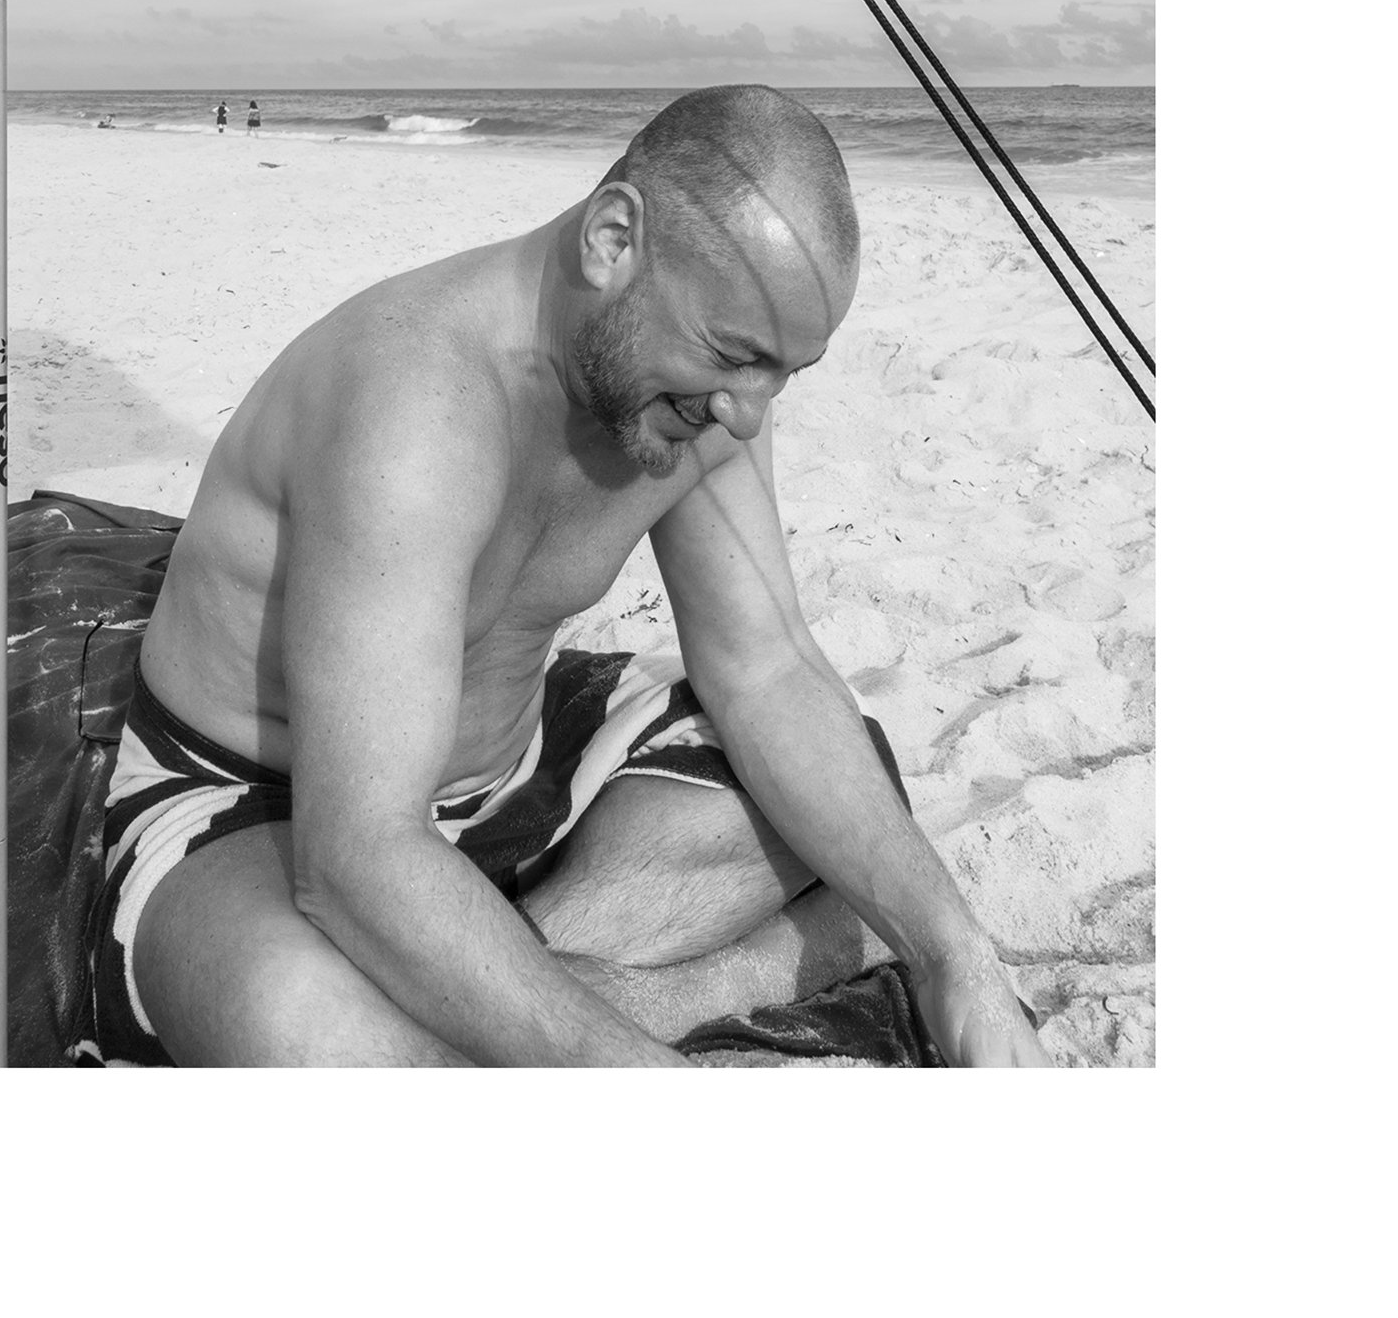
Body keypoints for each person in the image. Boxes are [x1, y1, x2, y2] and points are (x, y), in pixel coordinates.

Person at [90, 85, 1048, 1068]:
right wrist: (622, 1067)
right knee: (304, 1023)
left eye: (786, 371)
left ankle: (492, 975)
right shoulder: (417, 402)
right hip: (269, 804)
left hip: (515, 768)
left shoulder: (695, 395)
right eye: (736, 354)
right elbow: (356, 854)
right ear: (612, 238)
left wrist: (952, 957)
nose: (750, 413)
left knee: (837, 766)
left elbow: (765, 666)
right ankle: (685, 986)